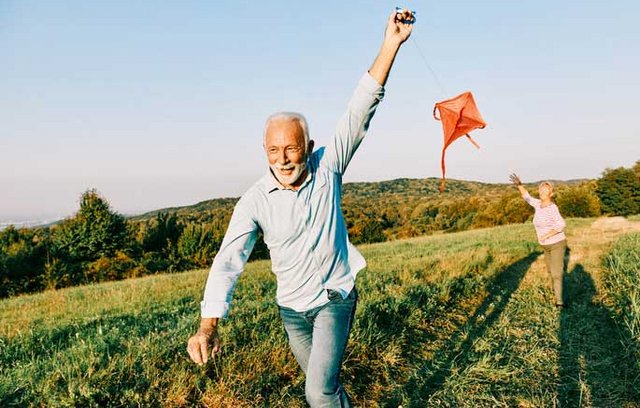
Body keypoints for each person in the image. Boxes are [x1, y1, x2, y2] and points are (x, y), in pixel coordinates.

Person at [187, 9, 415, 407]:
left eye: (292, 148)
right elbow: (228, 261)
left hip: (334, 298)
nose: (283, 158)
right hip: (292, 312)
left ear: (308, 147)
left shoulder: (329, 167)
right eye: (274, 150)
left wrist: (390, 44)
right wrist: (208, 327)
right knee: (324, 390)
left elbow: (361, 109)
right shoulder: (254, 201)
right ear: (265, 152)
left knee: (317, 391)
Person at [510, 174, 568, 308]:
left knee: (556, 273)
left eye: (546, 191)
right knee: (550, 271)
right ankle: (556, 292)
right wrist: (519, 185)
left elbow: (561, 225)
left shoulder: (552, 208)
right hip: (545, 246)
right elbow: (527, 197)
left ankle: (560, 303)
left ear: (551, 193)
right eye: (541, 190)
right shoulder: (538, 204)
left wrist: (547, 235)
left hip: (556, 244)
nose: (542, 193)